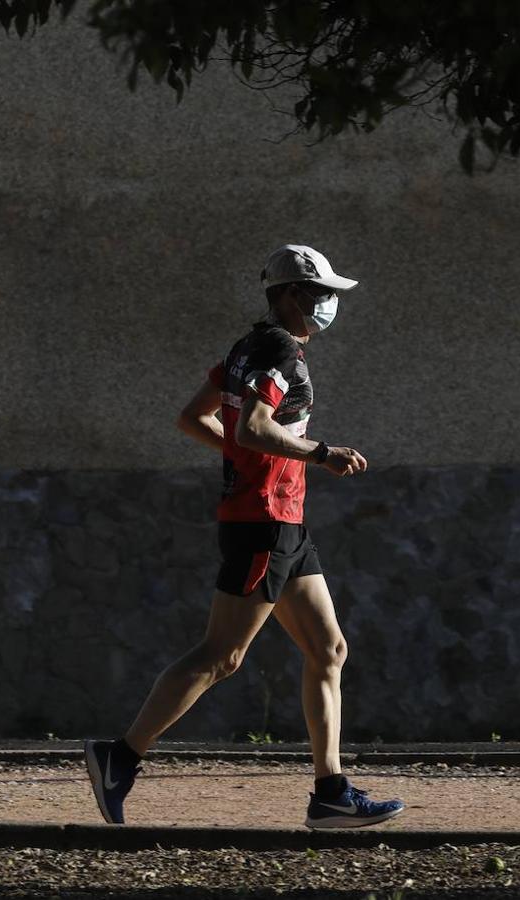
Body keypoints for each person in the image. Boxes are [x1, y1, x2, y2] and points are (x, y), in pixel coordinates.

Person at [85, 244, 405, 830]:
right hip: (264, 520)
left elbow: (196, 419)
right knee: (222, 656)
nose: (330, 304)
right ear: (289, 295)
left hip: (280, 519)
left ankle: (330, 793)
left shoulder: (247, 347)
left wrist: (257, 456)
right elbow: (255, 427)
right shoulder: (282, 352)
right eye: (321, 293)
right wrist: (321, 454)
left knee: (329, 650)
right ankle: (120, 757)